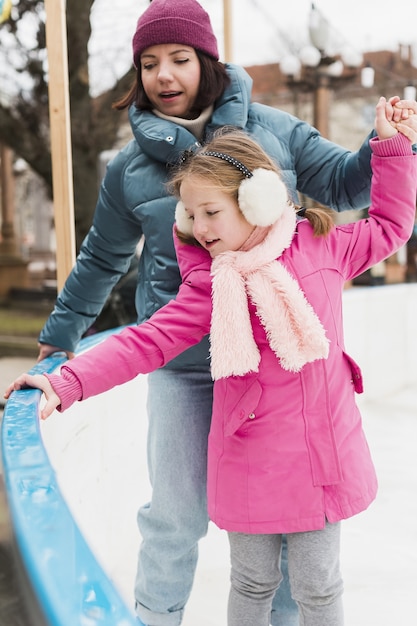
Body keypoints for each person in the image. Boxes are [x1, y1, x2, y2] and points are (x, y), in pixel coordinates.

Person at [24, 0, 416, 623]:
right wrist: (61, 341)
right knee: (175, 517)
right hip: (183, 360)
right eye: (149, 64)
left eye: (179, 59)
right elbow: (102, 259)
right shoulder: (130, 169)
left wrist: (387, 147)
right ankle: (156, 618)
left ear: (206, 62)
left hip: (271, 369)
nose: (164, 76)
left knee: (286, 531)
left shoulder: (277, 132)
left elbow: (349, 188)